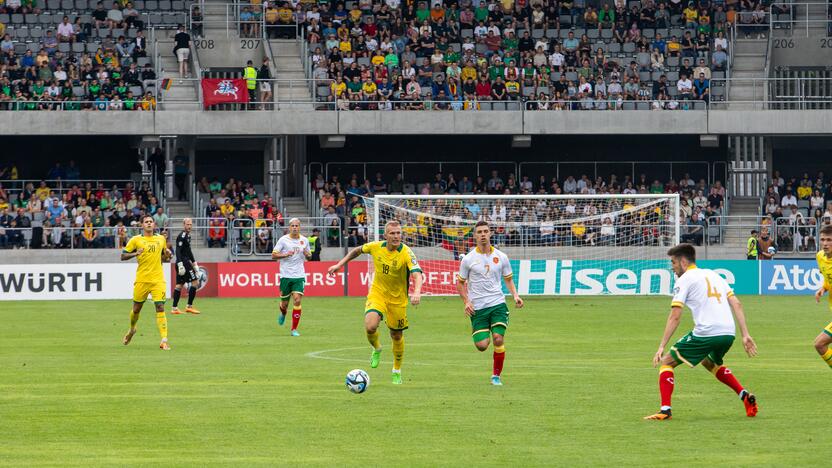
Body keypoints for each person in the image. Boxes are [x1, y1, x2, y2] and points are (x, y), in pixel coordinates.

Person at [644, 243, 758, 420]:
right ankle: (744, 396)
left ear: (683, 262)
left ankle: (665, 410)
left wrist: (661, 346)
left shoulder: (685, 279)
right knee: (708, 362)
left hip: (707, 332)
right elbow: (737, 303)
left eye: (673, 263)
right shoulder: (714, 275)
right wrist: (745, 335)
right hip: (728, 333)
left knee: (667, 362)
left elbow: (675, 316)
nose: (672, 268)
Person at [327, 220, 424, 385]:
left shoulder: (407, 253)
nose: (396, 236)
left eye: (398, 233)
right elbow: (357, 251)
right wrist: (339, 264)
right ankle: (377, 348)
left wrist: (417, 292)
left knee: (396, 335)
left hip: (398, 300)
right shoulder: (376, 246)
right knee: (370, 325)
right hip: (378, 293)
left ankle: (396, 370)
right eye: (392, 233)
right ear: (385, 235)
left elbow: (417, 274)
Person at [456, 221, 524, 386]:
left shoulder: (501, 257)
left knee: (498, 338)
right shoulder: (468, 259)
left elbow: (508, 279)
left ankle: (496, 376)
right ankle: (486, 346)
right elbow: (460, 283)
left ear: (491, 233)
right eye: (479, 232)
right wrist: (466, 302)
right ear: (475, 235)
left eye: (486, 231)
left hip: (498, 304)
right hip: (478, 308)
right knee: (482, 345)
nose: (483, 234)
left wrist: (515, 295)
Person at [120, 215, 173, 350]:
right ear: (142, 225)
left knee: (160, 307)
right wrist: (135, 254)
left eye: (151, 222)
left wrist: (168, 255)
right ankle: (132, 329)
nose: (149, 223)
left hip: (158, 279)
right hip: (142, 279)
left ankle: (164, 340)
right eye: (146, 222)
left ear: (154, 224)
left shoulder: (161, 239)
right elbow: (123, 256)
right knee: (136, 309)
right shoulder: (136, 240)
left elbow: (164, 258)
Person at [272, 218, 312, 336]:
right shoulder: (283, 240)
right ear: (289, 227)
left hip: (299, 275)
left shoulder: (304, 240)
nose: (295, 227)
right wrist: (285, 254)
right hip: (285, 275)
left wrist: (307, 255)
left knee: (297, 300)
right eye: (292, 226)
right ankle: (283, 313)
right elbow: (273, 255)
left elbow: (309, 257)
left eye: (297, 226)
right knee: (284, 305)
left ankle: (294, 329)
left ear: (299, 227)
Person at [171, 218, 201, 315]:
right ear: (183, 225)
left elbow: (188, 251)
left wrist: (194, 262)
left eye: (190, 224)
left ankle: (174, 308)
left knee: (179, 285)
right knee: (195, 282)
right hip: (183, 263)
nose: (189, 226)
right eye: (187, 224)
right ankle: (189, 306)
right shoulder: (182, 235)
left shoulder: (188, 235)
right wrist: (180, 264)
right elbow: (178, 251)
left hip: (185, 262)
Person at [812, 225, 832, 368]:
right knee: (820, 344)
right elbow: (828, 278)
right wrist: (823, 288)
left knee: (820, 343)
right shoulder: (820, 256)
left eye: (829, 240)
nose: (825, 243)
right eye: (823, 239)